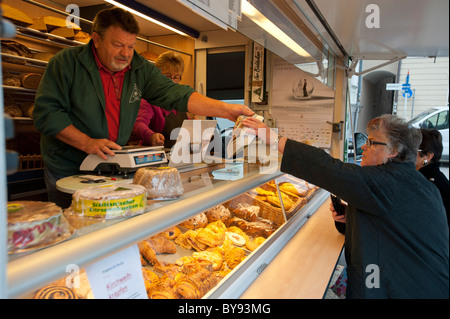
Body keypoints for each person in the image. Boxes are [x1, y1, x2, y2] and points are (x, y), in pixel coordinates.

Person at [33, 8, 253, 208]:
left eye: (131, 46)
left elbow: (177, 93)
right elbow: (47, 113)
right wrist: (87, 142)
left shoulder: (139, 69)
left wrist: (227, 110)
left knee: (108, 224)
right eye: (118, 45)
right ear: (96, 39)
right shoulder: (66, 63)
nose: (126, 54)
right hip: (68, 165)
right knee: (73, 227)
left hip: (109, 165)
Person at [243, 114, 449, 299]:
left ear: (393, 152)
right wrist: (350, 217)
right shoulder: (415, 183)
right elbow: (394, 224)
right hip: (425, 282)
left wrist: (275, 140)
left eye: (370, 142)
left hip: (403, 288)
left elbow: (331, 170)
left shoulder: (388, 182)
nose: (363, 147)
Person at [132, 51, 189, 148]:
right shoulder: (148, 101)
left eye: (176, 77)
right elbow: (138, 124)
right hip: (156, 158)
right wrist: (151, 136)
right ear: (157, 76)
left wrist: (192, 125)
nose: (171, 81)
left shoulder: (179, 102)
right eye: (167, 76)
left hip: (177, 158)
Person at [415, 128, 449, 226]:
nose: (405, 154)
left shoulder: (430, 184)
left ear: (428, 156)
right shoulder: (422, 176)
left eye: (412, 150)